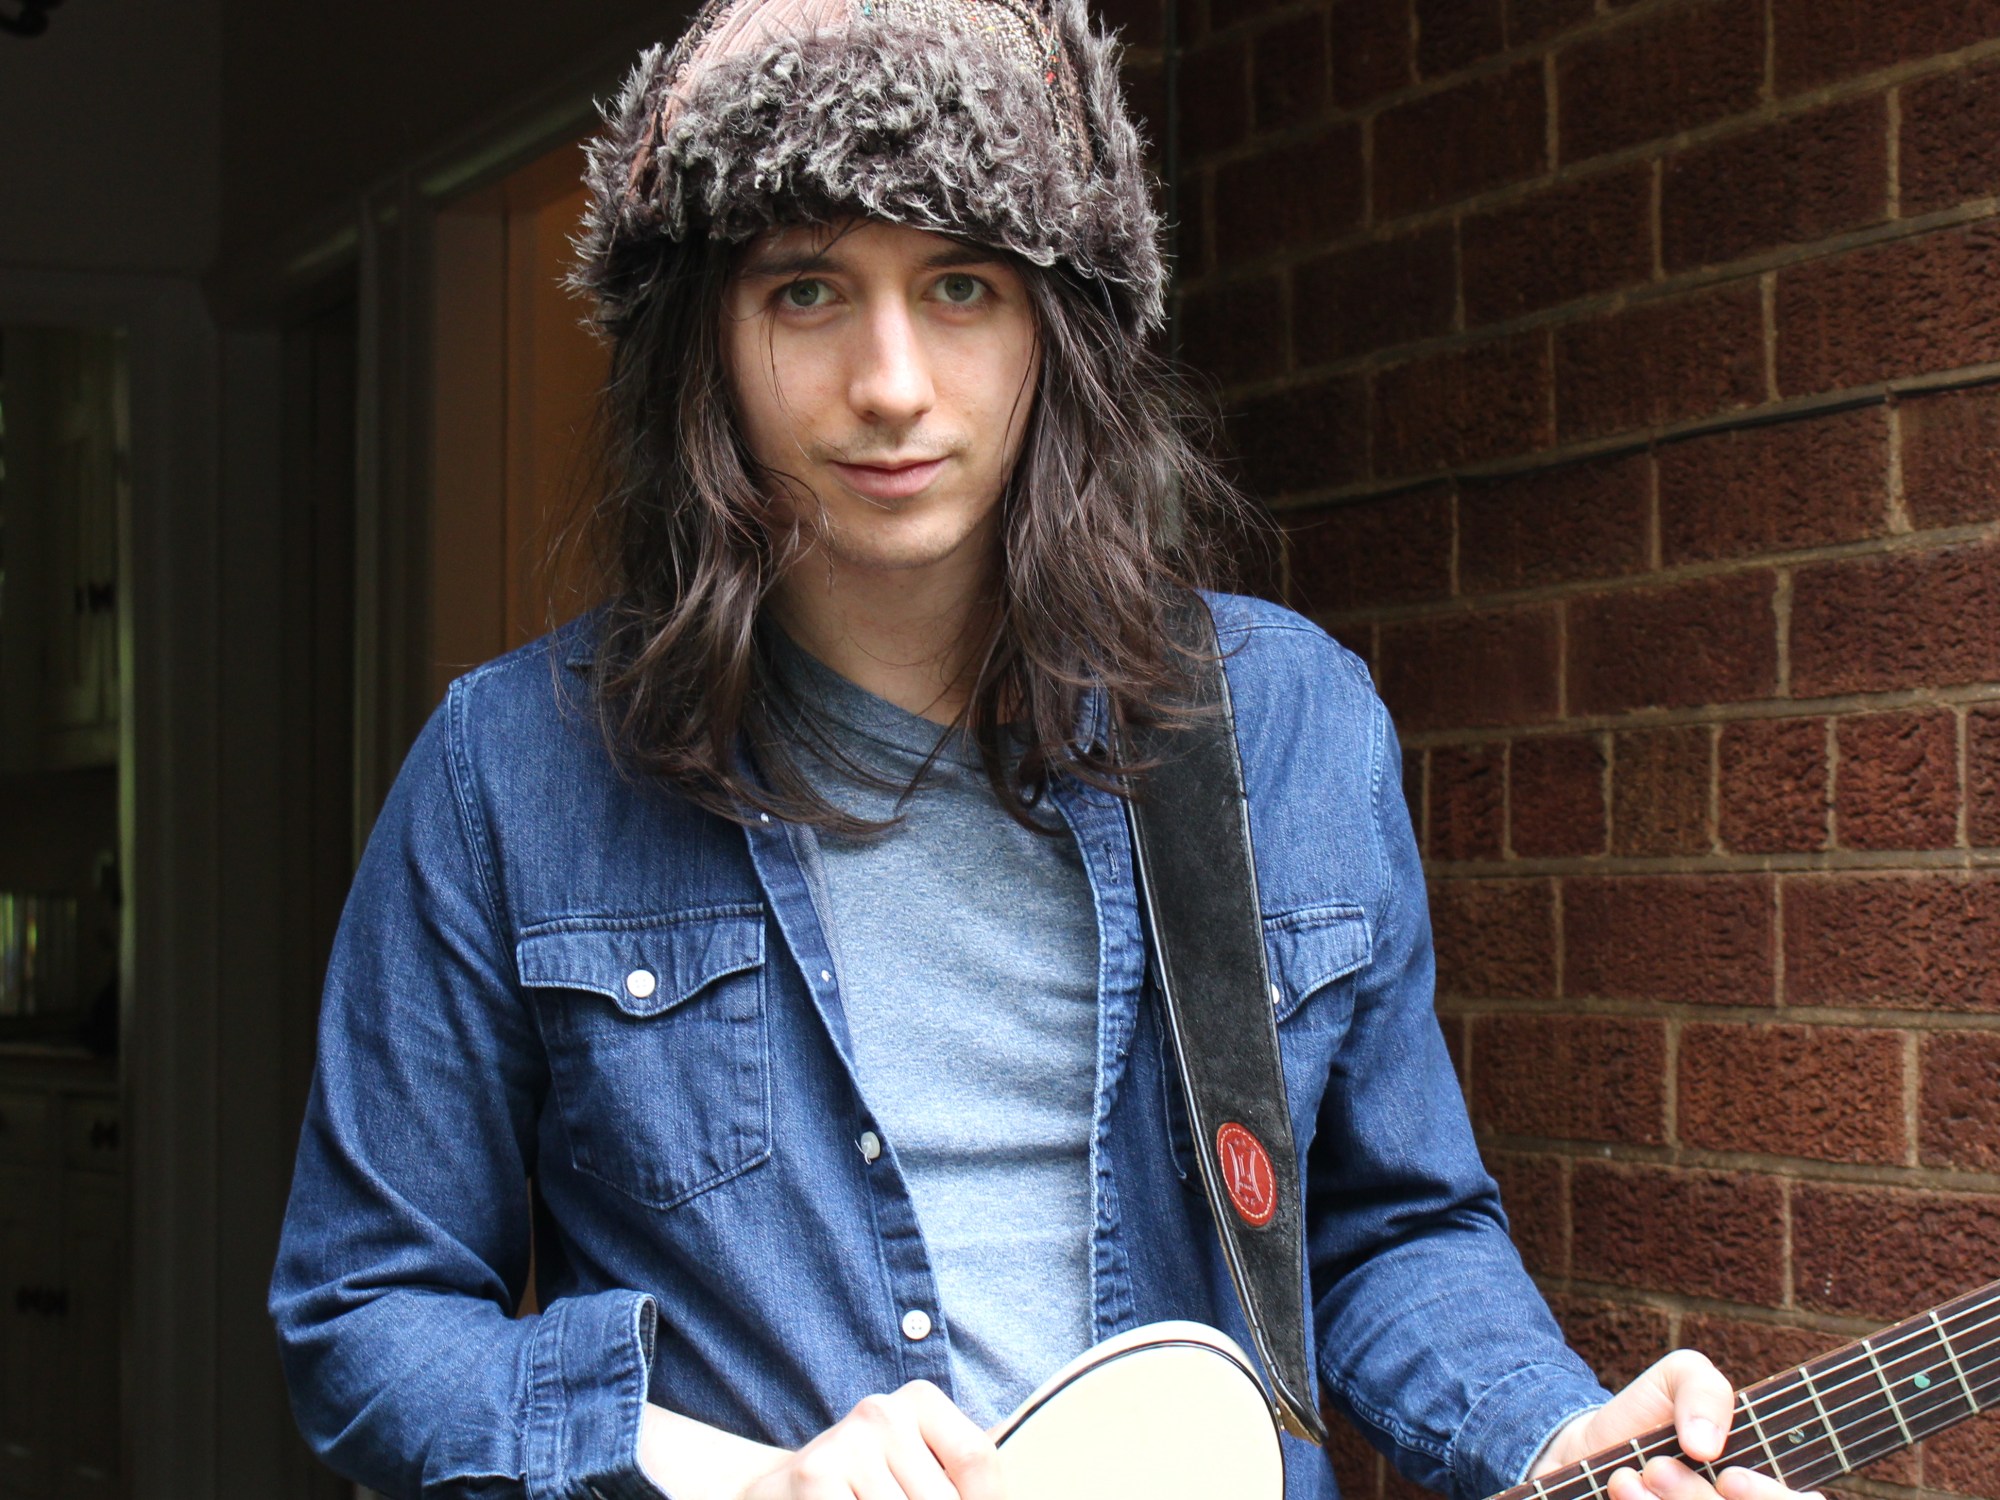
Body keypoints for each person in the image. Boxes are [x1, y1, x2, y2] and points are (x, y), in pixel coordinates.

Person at [269, 4, 1825, 1499]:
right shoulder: (512, 770)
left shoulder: (1283, 723)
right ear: (707, 345)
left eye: (960, 286)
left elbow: (1382, 1230)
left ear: (1053, 331)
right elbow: (364, 1315)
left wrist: (1553, 1433)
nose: (891, 384)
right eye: (806, 291)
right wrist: (739, 1478)